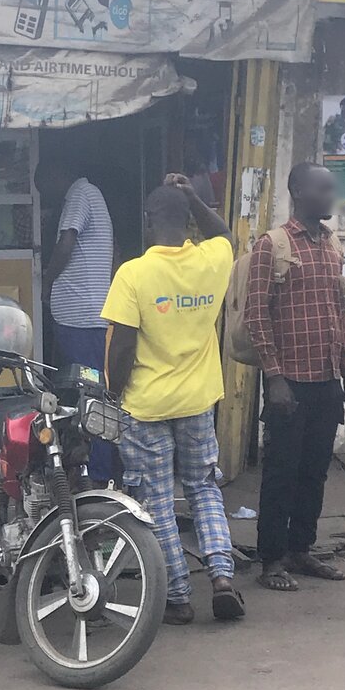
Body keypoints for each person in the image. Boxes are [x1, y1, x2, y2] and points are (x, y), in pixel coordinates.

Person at [103, 175, 244, 625]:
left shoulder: (133, 274)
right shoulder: (211, 259)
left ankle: (178, 596)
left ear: (147, 222)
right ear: (189, 222)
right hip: (198, 401)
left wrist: (112, 392)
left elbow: (122, 346)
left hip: (145, 406)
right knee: (204, 487)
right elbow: (223, 233)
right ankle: (222, 576)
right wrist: (193, 198)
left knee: (156, 501)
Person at [245, 162, 345, 592]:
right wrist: (274, 378)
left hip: (327, 380)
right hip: (288, 382)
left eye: (332, 188)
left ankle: (301, 549)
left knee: (315, 471)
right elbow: (257, 315)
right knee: (281, 472)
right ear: (298, 191)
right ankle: (271, 559)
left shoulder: (332, 246)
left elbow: (339, 315)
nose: (332, 196)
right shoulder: (271, 245)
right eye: (324, 188)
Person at [35, 157, 114, 483]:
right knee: (84, 395)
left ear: (58, 174)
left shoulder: (80, 194)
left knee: (91, 397)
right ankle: (87, 466)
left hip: (82, 319)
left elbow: (66, 242)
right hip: (86, 315)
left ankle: (101, 473)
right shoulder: (91, 197)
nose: (45, 196)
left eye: (44, 188)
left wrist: (47, 280)